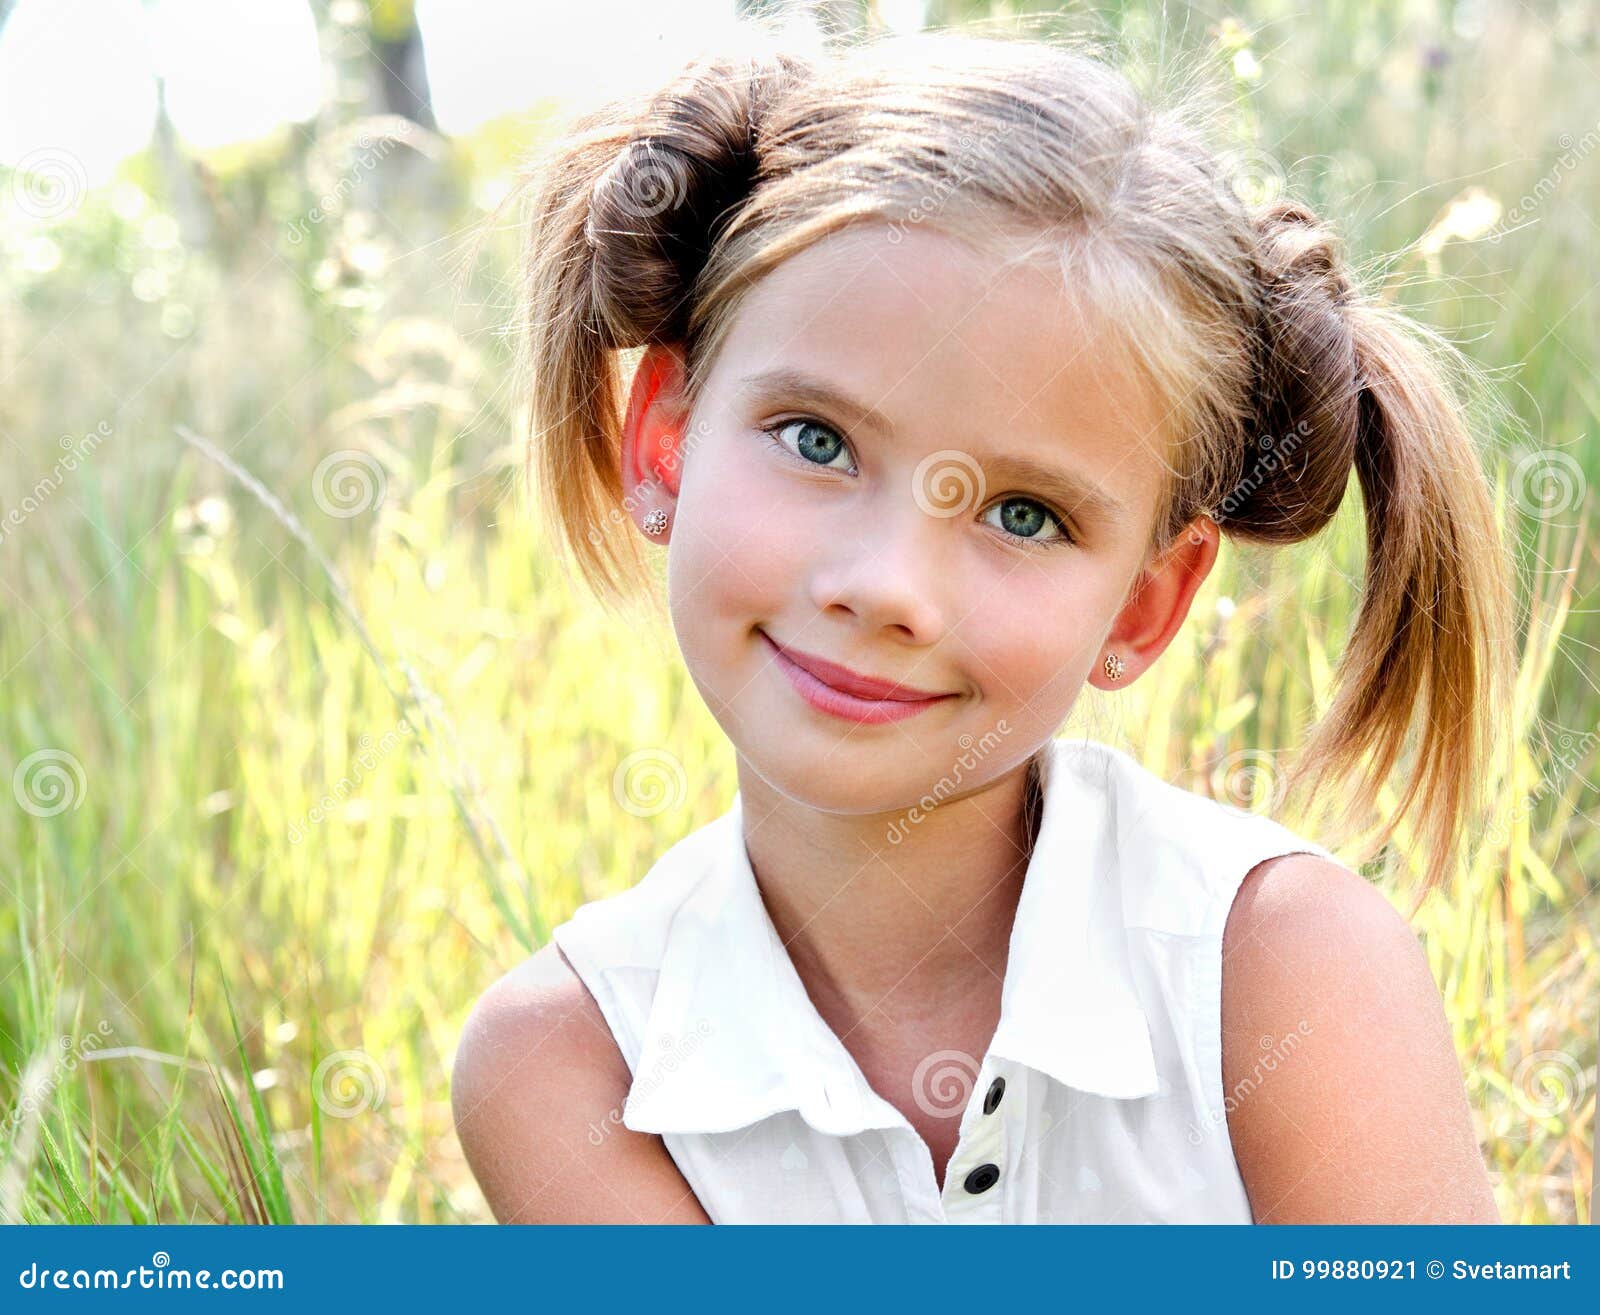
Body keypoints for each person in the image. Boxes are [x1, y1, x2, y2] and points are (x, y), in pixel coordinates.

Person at [451, 25, 1514, 1224]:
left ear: (1148, 601)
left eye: (1024, 514)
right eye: (817, 440)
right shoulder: (572, 1067)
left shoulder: (1282, 972)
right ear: (664, 438)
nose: (889, 586)